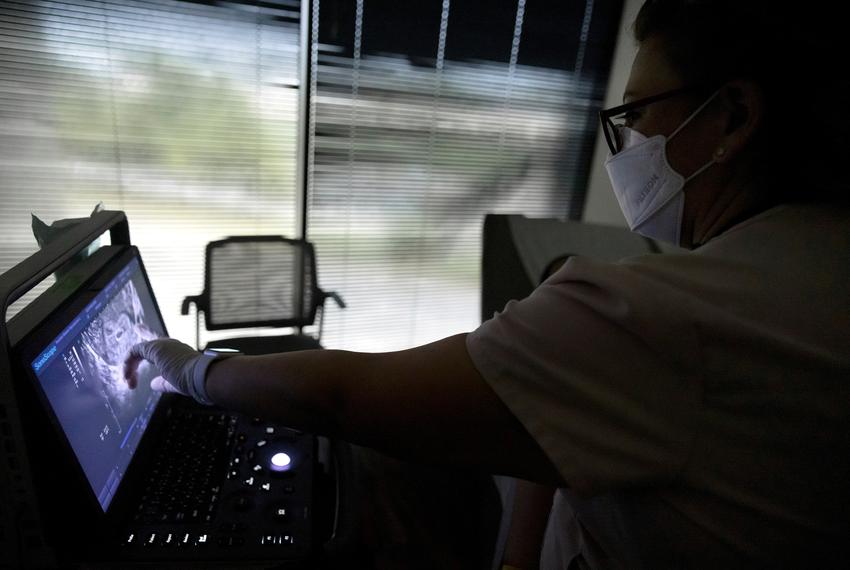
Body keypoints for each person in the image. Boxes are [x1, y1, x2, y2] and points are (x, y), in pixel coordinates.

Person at [124, 0, 850, 567]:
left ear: (732, 117)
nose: (624, 149)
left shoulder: (664, 316)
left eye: (636, 117)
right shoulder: (807, 266)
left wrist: (190, 370)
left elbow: (346, 396)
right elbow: (566, 423)